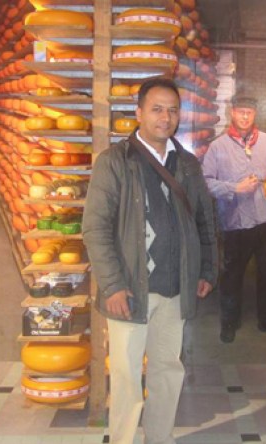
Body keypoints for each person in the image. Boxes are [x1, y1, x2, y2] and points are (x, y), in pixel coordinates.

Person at [82, 78, 218, 444]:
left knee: (167, 371)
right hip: (130, 291)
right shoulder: (115, 162)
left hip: (175, 289)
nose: (165, 117)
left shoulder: (187, 164)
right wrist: (112, 285)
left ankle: (159, 437)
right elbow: (95, 227)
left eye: (172, 110)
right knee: (126, 378)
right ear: (139, 113)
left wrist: (206, 269)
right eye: (157, 109)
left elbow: (205, 220)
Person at [201, 96, 266, 344]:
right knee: (232, 275)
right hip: (236, 223)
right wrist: (234, 188)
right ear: (232, 113)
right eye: (240, 111)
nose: (244, 117)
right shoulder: (218, 147)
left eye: (249, 112)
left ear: (255, 114)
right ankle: (230, 321)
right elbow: (206, 182)